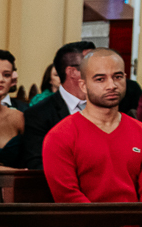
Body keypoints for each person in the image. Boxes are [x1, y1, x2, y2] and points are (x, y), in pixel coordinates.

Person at [44, 49, 142, 203]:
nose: (112, 85)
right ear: (83, 85)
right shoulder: (59, 136)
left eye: (118, 77)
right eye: (100, 79)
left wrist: (137, 225)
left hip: (137, 223)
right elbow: (68, 196)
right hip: (84, 224)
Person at [20, 40, 95, 169]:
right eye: (92, 65)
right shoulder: (39, 114)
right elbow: (37, 163)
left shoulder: (107, 106)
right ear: (72, 72)